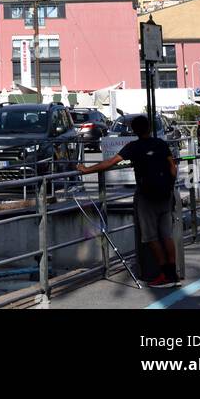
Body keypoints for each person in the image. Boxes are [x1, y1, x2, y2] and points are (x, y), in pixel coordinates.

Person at [77, 113, 178, 286]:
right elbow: (172, 167)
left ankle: (164, 274)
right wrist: (169, 185)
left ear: (133, 130)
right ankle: (173, 274)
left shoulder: (133, 147)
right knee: (167, 235)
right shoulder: (161, 144)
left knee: (151, 237)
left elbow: (110, 162)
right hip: (165, 195)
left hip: (147, 197)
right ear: (150, 128)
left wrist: (87, 170)